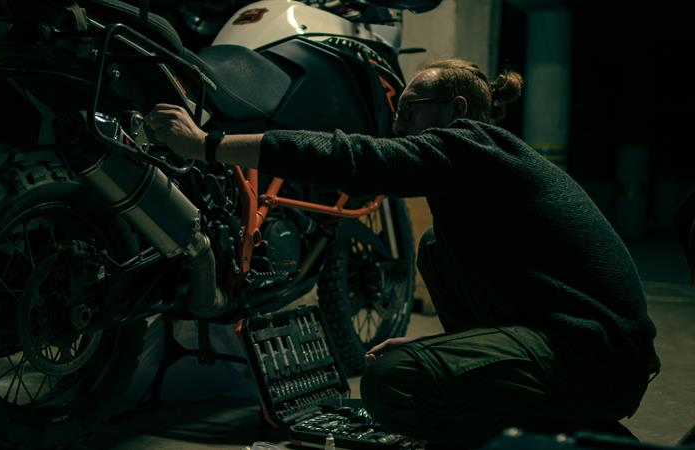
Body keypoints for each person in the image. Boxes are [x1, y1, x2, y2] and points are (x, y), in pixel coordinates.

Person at [145, 58, 660, 448]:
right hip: (581, 352)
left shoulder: (474, 145)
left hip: (596, 359)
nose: (398, 120)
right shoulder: (480, 174)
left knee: (394, 383)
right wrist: (451, 354)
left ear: (456, 110)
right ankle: (552, 417)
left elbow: (355, 157)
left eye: (410, 107)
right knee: (436, 248)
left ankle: (539, 435)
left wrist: (207, 145)